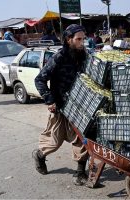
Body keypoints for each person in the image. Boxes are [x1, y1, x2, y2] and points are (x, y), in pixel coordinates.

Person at [33, 24, 89, 186]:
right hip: (60, 106)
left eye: (83, 39)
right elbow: (40, 79)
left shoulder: (83, 55)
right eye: (78, 39)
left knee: (82, 139)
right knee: (54, 141)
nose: (81, 43)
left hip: (78, 107)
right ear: (68, 39)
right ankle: (39, 155)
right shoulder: (59, 57)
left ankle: (80, 173)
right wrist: (49, 100)